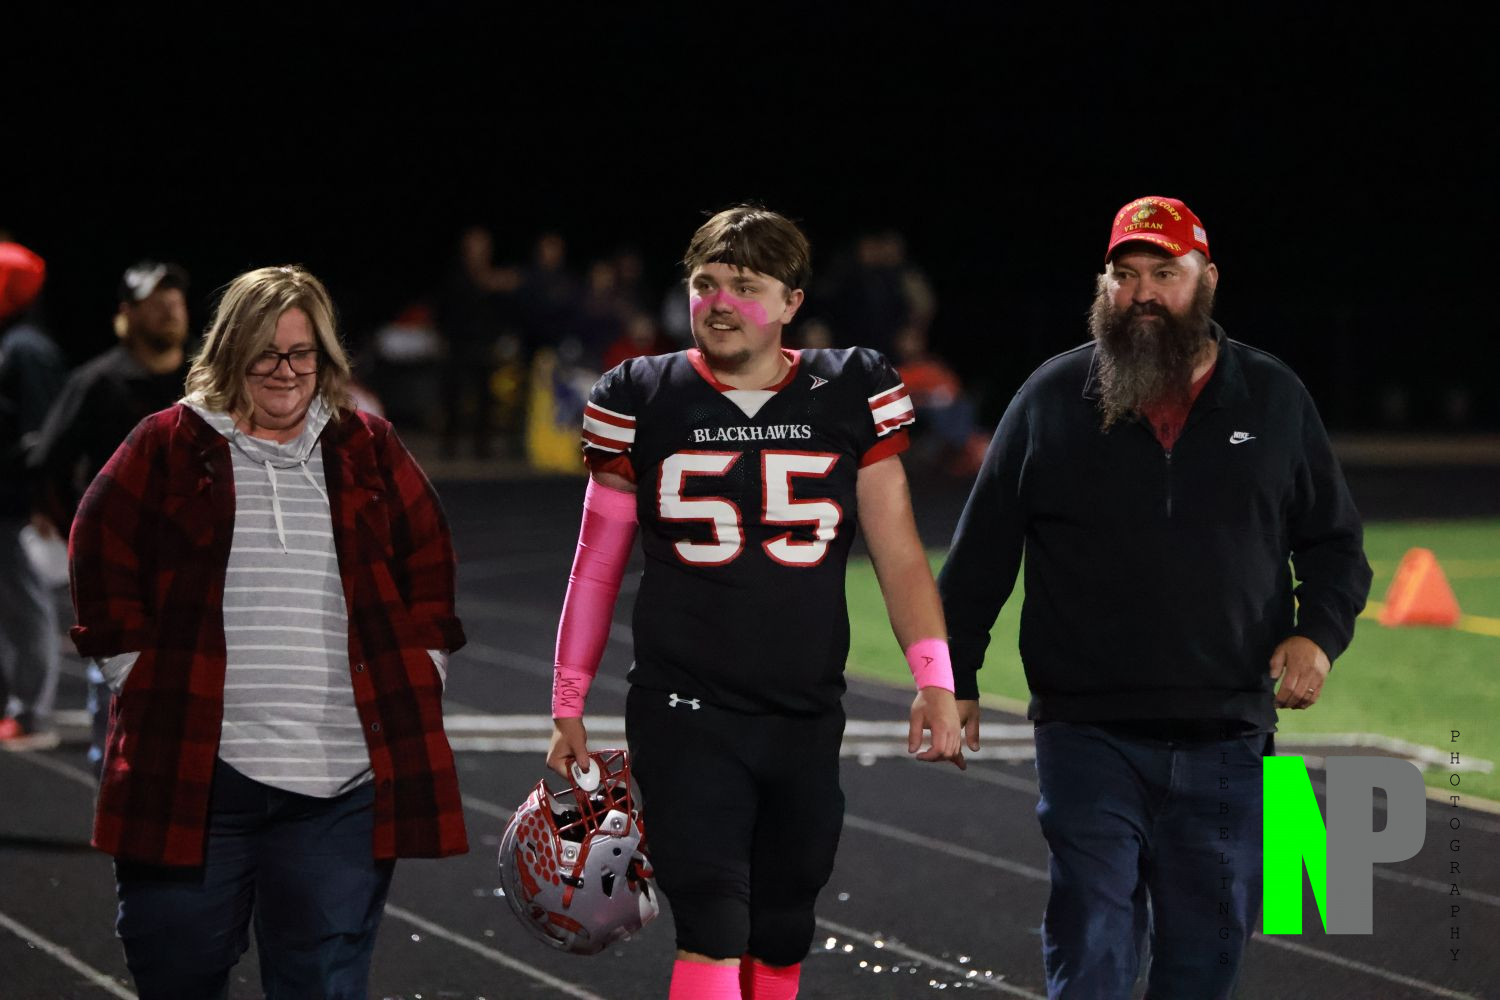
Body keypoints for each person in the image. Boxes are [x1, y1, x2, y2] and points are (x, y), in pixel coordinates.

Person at [938, 196, 1373, 999]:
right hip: (1086, 731)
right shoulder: (1051, 397)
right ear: (1104, 285)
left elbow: (1336, 544)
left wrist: (1318, 634)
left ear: (1207, 280)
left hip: (1229, 731)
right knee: (1092, 943)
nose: (1142, 293)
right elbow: (979, 556)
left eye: (1164, 274)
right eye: (1126, 274)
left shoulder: (1273, 395)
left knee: (1205, 959)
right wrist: (951, 677)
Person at [544, 205, 964, 1000]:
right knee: (710, 919)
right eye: (705, 284)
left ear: (791, 301)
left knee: (782, 926)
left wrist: (934, 680)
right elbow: (594, 567)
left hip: (804, 706)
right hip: (682, 704)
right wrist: (568, 701)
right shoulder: (641, 394)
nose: (720, 303)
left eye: (744, 285)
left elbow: (900, 551)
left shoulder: (850, 387)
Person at [69, 265, 467, 1000]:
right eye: (266, 353)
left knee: (321, 983)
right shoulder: (166, 443)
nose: (285, 371)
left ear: (324, 356)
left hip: (341, 784)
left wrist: (426, 666)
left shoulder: (367, 446)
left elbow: (429, 559)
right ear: (230, 352)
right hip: (196, 775)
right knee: (175, 973)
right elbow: (99, 543)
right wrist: (132, 671)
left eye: (301, 353)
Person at [29, 260, 192, 765]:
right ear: (127, 313)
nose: (169, 311)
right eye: (155, 303)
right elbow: (49, 463)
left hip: (197, 555)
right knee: (117, 672)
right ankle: (113, 780)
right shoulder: (97, 382)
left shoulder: (205, 380)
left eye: (175, 302)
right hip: (122, 560)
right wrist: (82, 536)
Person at [0, 240, 67, 749]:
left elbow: (43, 435)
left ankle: (32, 712)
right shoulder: (13, 343)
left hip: (17, 504)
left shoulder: (27, 349)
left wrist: (43, 500)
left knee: (28, 605)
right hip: (7, 501)